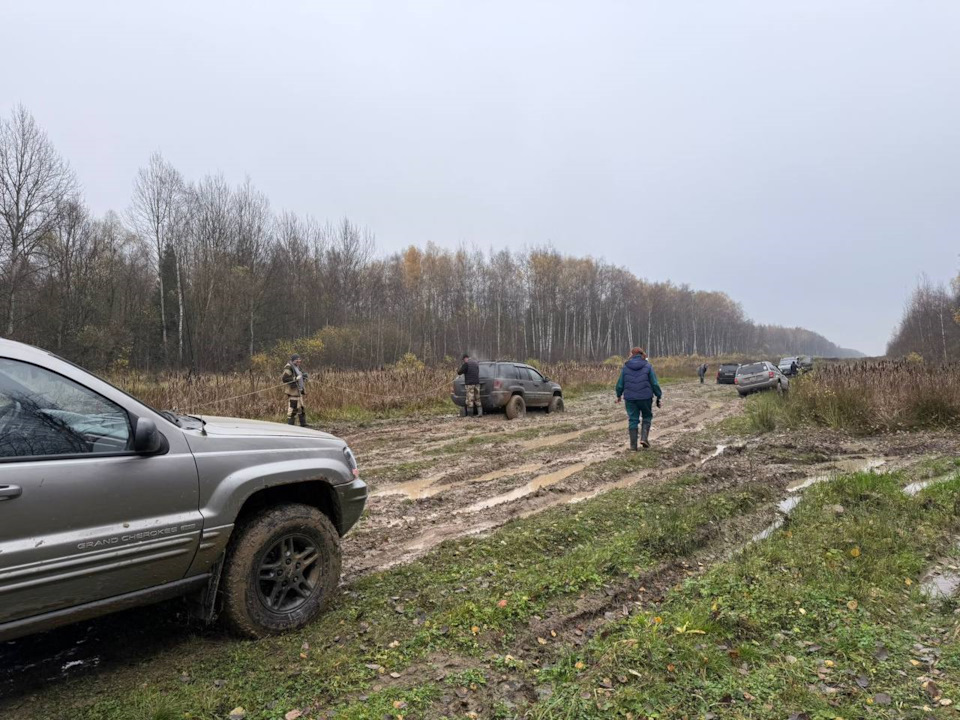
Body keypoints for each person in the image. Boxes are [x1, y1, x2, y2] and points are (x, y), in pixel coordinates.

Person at [615, 347, 663, 450]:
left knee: (633, 419)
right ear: (642, 354)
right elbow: (654, 383)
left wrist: (618, 395)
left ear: (631, 354)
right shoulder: (648, 366)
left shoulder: (626, 367)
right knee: (647, 416)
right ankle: (644, 438)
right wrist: (658, 395)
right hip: (645, 397)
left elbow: (620, 384)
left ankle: (633, 448)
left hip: (630, 398)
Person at [281, 353, 309, 426]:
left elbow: (301, 373)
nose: (299, 361)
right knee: (293, 409)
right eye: (297, 360)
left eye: (299, 360)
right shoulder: (288, 367)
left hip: (299, 391)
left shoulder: (297, 367)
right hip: (292, 392)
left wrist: (304, 375)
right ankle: (290, 426)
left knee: (301, 408)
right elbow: (285, 378)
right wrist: (295, 379)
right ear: (293, 360)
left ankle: (303, 424)